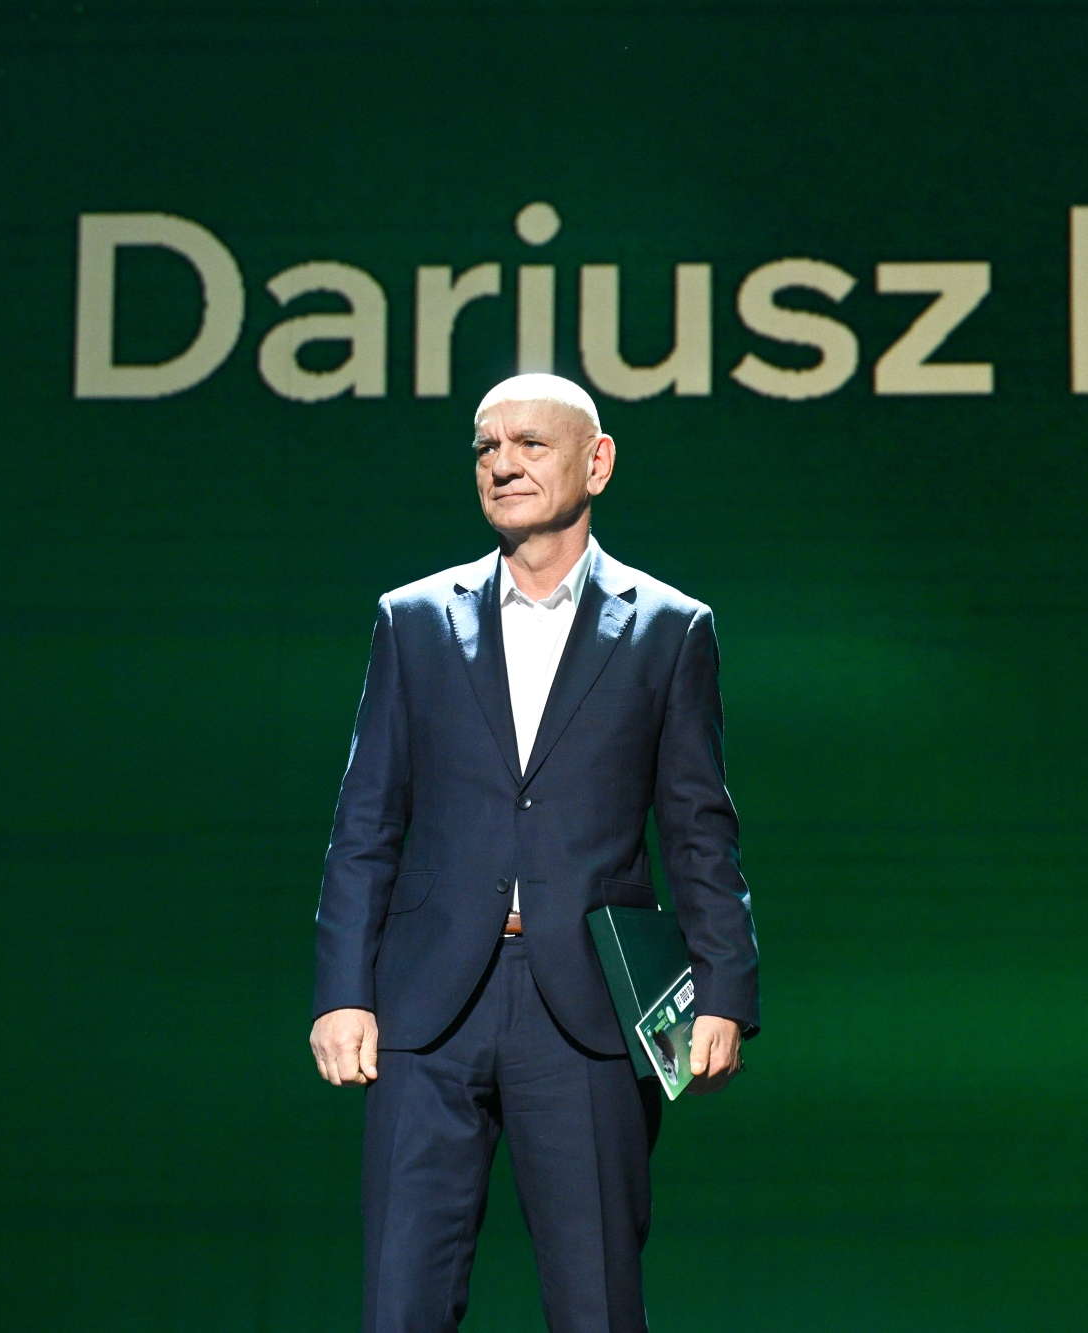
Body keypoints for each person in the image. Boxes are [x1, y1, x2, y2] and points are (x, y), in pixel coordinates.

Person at [308, 374, 759, 1333]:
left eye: (530, 445)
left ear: (597, 462)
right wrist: (343, 990)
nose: (503, 464)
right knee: (400, 1302)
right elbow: (365, 823)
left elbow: (698, 827)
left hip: (589, 1008)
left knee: (598, 1303)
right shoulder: (414, 619)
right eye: (486, 447)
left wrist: (723, 990)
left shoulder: (669, 628)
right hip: (428, 1009)